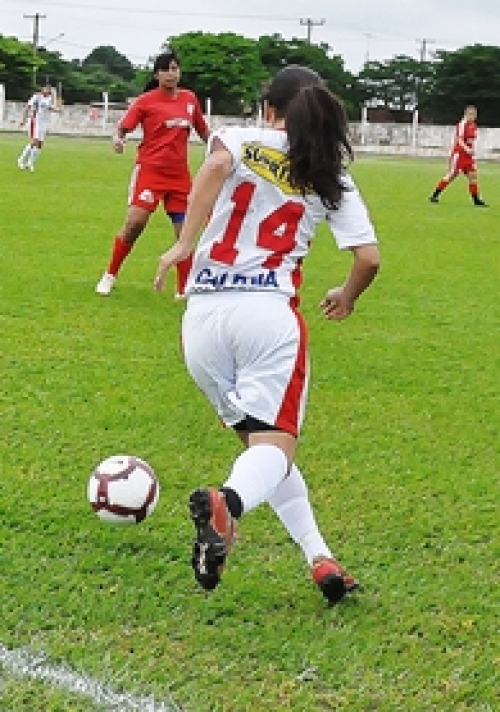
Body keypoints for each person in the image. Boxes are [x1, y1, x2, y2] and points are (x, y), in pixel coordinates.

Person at [154, 65, 381, 605]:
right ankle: (226, 505)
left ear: (269, 108)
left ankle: (319, 558)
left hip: (202, 321)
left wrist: (186, 244)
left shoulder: (240, 137)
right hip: (267, 318)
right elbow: (368, 258)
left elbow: (212, 168)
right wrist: (346, 296)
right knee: (272, 452)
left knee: (265, 450)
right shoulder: (330, 172)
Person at [95, 49, 210, 297]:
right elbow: (123, 128)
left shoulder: (190, 100)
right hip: (150, 171)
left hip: (179, 176)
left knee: (184, 232)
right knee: (135, 223)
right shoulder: (146, 101)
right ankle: (110, 275)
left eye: (175, 68)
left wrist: (221, 151)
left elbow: (203, 131)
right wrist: (118, 139)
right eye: (166, 69)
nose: (171, 73)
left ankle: (183, 290)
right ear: (157, 74)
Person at [429, 105, 487, 206]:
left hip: (468, 156)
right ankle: (434, 195)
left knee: (473, 176)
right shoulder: (462, 124)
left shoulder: (473, 125)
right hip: (459, 154)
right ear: (466, 114)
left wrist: (472, 150)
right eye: (471, 114)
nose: (473, 116)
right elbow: (459, 139)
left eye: (474, 115)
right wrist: (466, 148)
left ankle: (476, 200)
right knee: (452, 175)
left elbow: (471, 140)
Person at [17, 83, 58, 172]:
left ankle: (30, 163)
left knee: (40, 144)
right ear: (42, 89)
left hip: (44, 122)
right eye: (46, 88)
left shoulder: (49, 99)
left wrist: (56, 110)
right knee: (34, 141)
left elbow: (49, 108)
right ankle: (21, 160)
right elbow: (28, 107)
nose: (47, 90)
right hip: (36, 121)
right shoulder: (36, 97)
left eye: (49, 89)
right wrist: (23, 119)